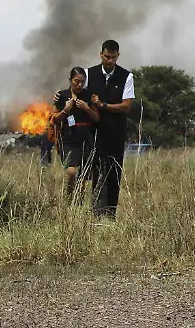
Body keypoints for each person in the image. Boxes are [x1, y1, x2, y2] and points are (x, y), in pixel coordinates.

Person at [85, 39, 135, 219]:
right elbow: (77, 94)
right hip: (94, 131)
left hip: (115, 131)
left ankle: (110, 213)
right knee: (96, 170)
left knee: (114, 171)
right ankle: (96, 213)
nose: (110, 61)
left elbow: (126, 106)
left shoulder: (126, 77)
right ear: (101, 54)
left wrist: (104, 105)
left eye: (113, 57)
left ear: (118, 56)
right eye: (107, 57)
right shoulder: (88, 74)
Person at [52, 67, 101, 203]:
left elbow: (96, 118)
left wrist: (86, 108)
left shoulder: (88, 96)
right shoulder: (61, 96)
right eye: (76, 81)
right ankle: (68, 199)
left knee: (83, 175)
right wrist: (65, 110)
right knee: (71, 172)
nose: (79, 85)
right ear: (70, 80)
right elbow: (54, 120)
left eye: (82, 82)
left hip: (85, 138)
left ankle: (77, 203)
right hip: (68, 138)